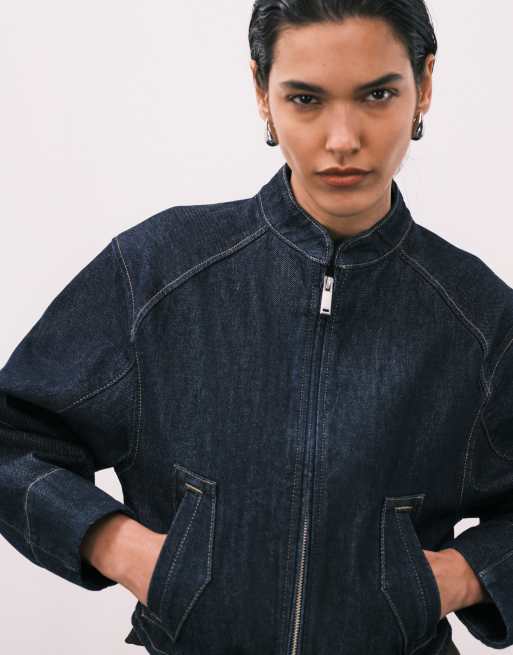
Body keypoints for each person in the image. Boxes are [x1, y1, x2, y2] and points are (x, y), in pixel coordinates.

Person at [0, 1, 511, 654]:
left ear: (424, 84)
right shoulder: (158, 271)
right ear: (262, 92)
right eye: (305, 99)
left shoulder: (476, 316)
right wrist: (121, 547)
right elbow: (13, 437)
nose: (342, 139)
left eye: (377, 94)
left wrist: (461, 577)